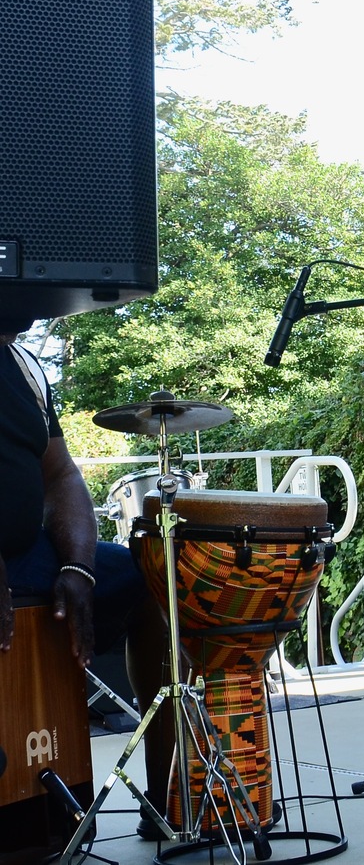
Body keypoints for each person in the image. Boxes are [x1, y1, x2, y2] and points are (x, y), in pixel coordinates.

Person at [0, 315, 170, 828]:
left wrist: (78, 563)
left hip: (26, 553)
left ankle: (168, 798)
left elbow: (61, 474)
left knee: (150, 580)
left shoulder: (25, 365)